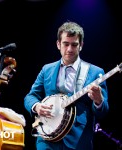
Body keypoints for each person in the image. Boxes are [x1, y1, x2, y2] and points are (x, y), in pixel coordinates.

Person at [24, 21, 109, 150]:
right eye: (66, 44)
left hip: (78, 142)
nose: (69, 49)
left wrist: (98, 100)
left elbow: (103, 111)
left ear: (81, 45)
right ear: (58, 44)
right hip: (47, 139)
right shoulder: (47, 69)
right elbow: (30, 97)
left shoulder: (96, 72)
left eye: (74, 45)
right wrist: (36, 106)